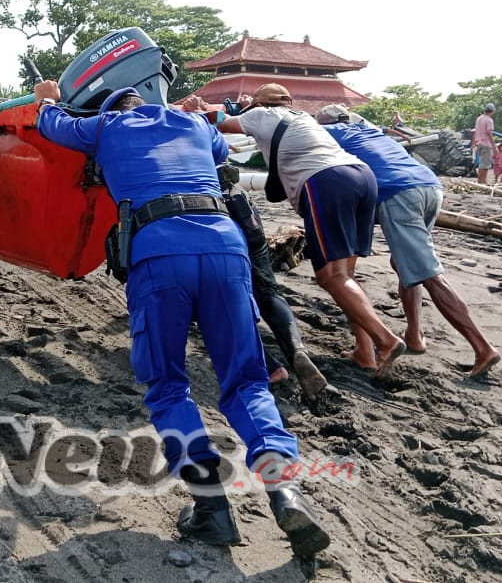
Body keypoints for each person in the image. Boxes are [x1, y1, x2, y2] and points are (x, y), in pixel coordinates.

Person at [34, 80, 330, 558]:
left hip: (158, 253)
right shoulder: (194, 123)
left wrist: (45, 97)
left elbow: (52, 125)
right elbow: (216, 148)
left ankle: (211, 507)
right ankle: (284, 489)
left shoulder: (104, 125)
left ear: (112, 110)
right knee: (247, 382)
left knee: (168, 385)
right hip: (226, 248)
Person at [191, 84, 407, 376]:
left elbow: (215, 121)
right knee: (345, 275)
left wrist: (197, 109)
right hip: (361, 176)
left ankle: (386, 340)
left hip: (325, 181)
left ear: (258, 105)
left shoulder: (261, 115)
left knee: (331, 276)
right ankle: (365, 353)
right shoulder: (303, 117)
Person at [316, 105, 502, 378]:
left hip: (398, 192)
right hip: (430, 187)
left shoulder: (330, 131)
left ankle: (483, 348)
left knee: (429, 273)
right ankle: (414, 335)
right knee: (406, 265)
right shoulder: (371, 132)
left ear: (327, 122)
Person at [216, 165, 336, 406]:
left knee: (215, 298)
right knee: (267, 289)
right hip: (239, 203)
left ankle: (270, 366)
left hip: (205, 217)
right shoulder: (200, 128)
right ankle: (296, 350)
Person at [472, 103, 496, 184]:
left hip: (479, 143)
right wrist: (494, 146)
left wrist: (473, 142)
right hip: (486, 143)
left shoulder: (479, 118)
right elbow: (489, 133)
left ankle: (480, 180)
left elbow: (476, 131)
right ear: (492, 111)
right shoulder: (489, 120)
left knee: (482, 163)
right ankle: (482, 181)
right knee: (485, 164)